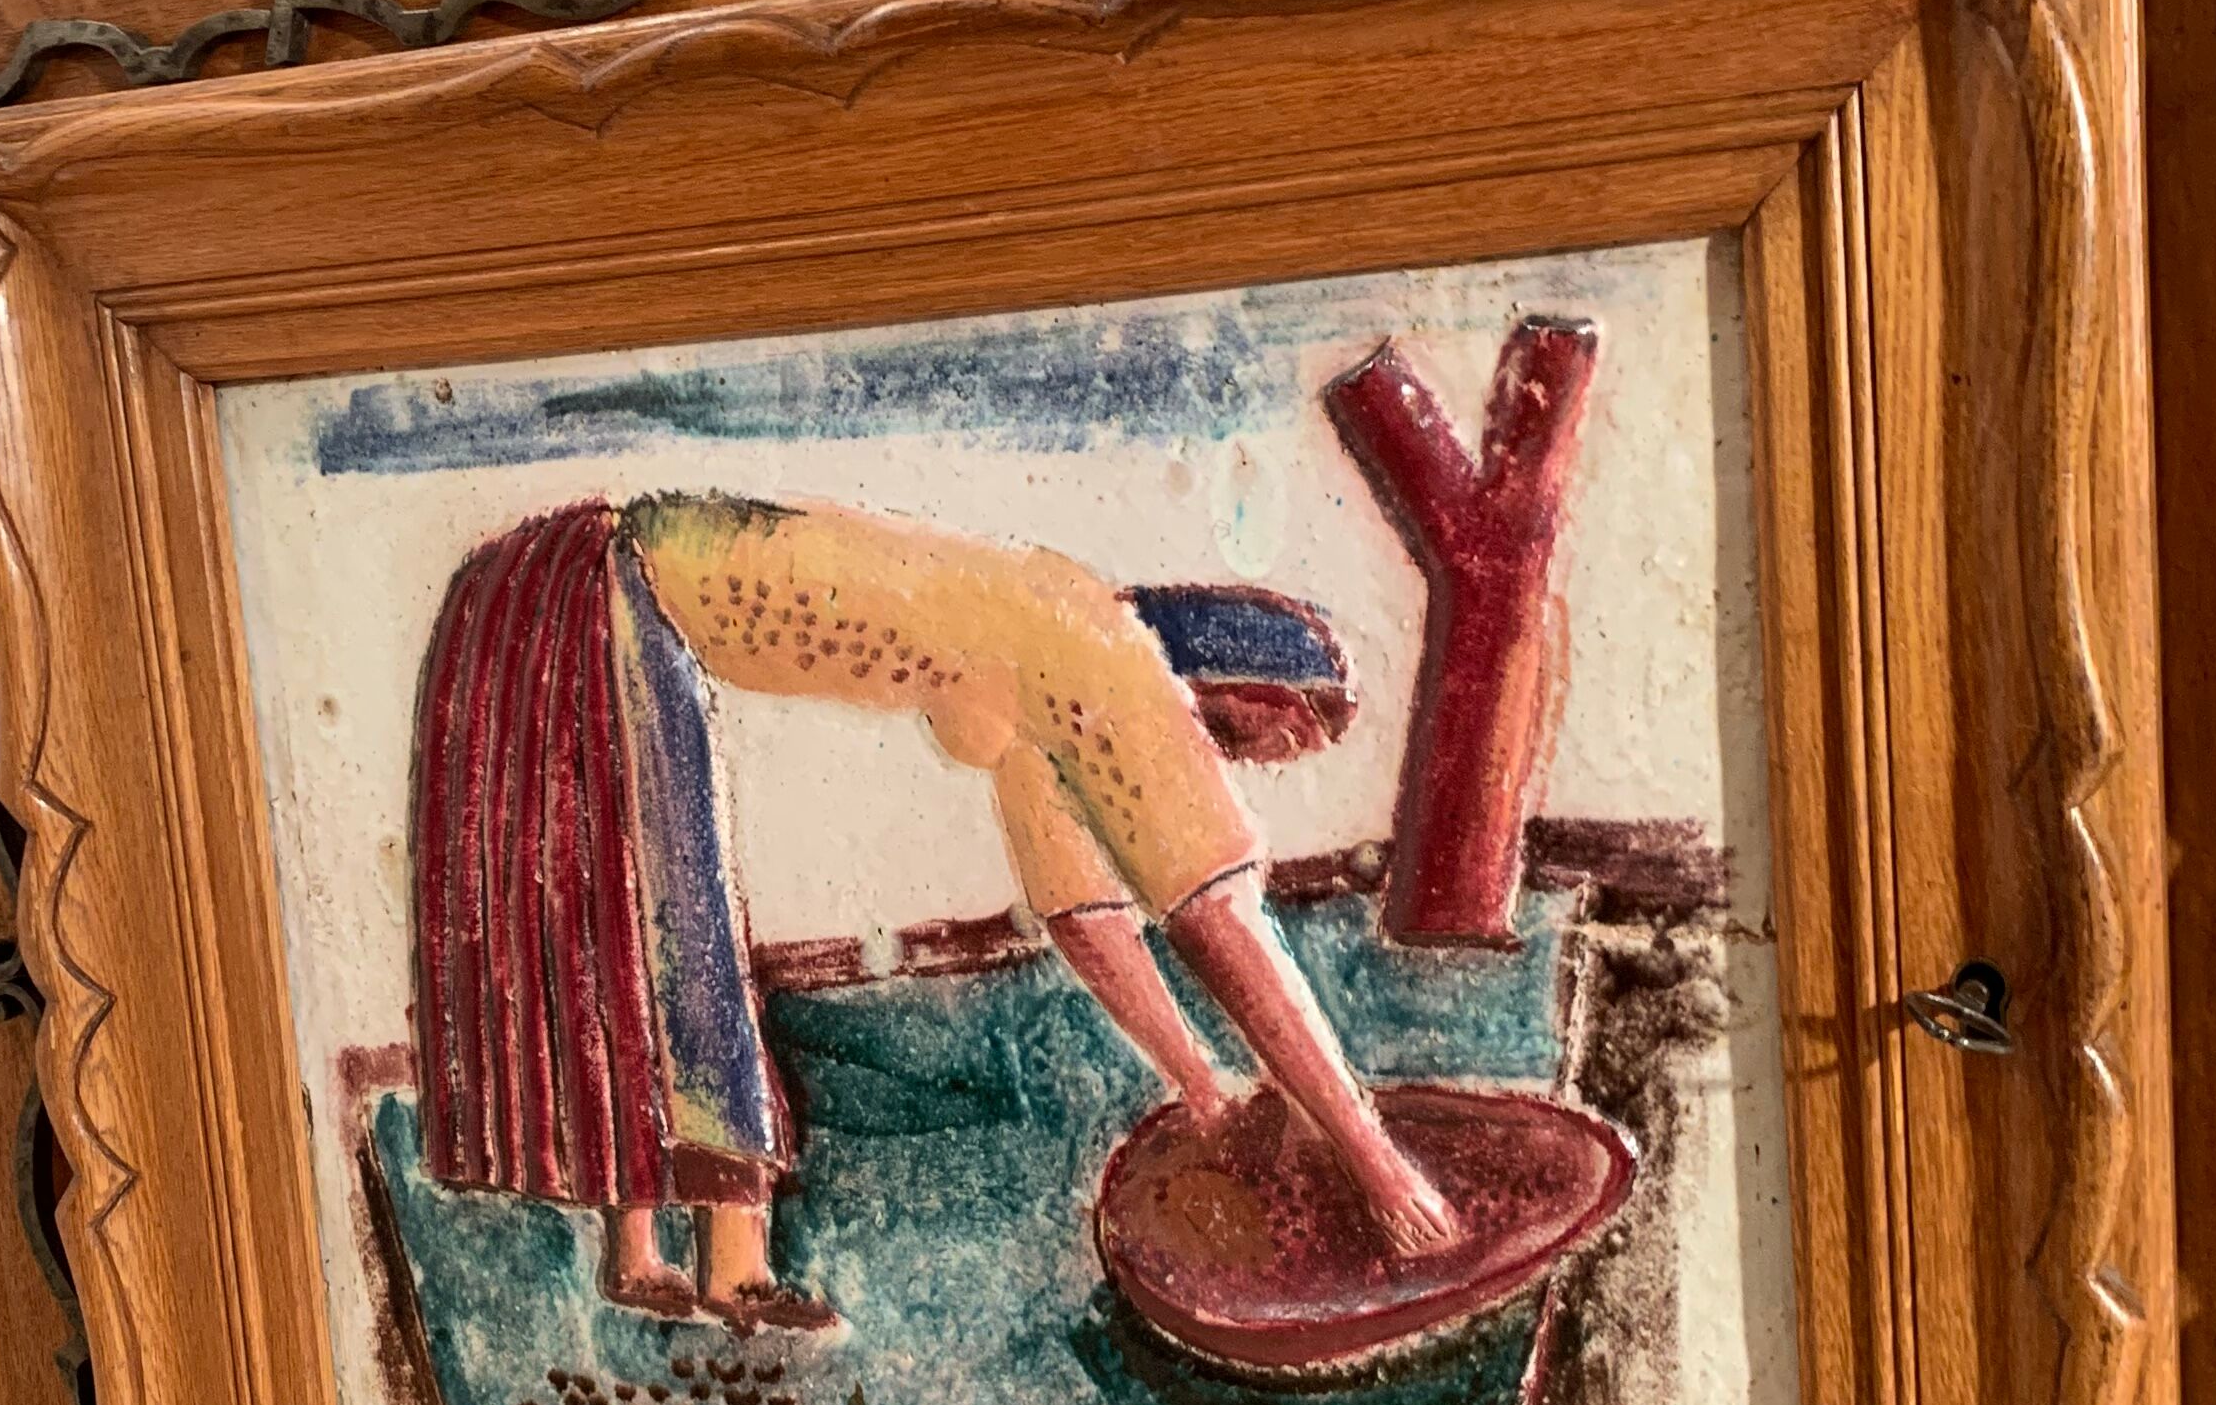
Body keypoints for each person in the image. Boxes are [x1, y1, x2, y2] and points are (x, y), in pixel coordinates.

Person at [409, 490, 1457, 1329]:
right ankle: (715, 1272)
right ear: (1247, 687)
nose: (1258, 764)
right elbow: (1222, 929)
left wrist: (1207, 1093)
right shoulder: (1107, 655)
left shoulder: (1045, 675)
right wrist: (1384, 1172)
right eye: (1280, 738)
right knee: (664, 939)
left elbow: (1090, 920)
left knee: (636, 926)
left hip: (579, 599)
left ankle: (659, 1261)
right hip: (596, 592)